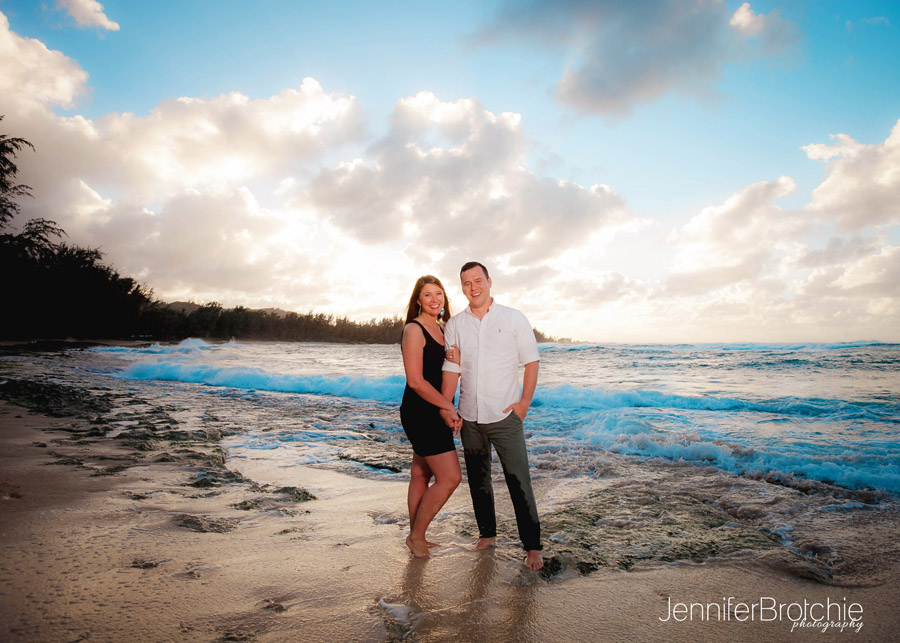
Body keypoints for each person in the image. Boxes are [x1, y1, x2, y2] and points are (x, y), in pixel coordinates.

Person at [439, 261, 544, 570]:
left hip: (505, 416)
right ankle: (487, 535)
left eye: (478, 280)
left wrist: (524, 403)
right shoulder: (455, 324)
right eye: (467, 283)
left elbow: (532, 362)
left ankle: (533, 547)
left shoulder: (513, 319)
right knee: (478, 480)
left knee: (518, 481)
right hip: (469, 416)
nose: (473, 287)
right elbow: (453, 368)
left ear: (489, 281)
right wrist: (448, 407)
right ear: (462, 288)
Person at [400, 275, 463, 559]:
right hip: (420, 411)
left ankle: (416, 535)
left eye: (439, 294)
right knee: (450, 477)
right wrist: (447, 407)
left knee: (421, 473)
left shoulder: (442, 329)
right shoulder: (414, 330)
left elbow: (446, 371)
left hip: (433, 407)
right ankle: (417, 536)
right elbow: (415, 381)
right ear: (418, 300)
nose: (435, 299)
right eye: (428, 295)